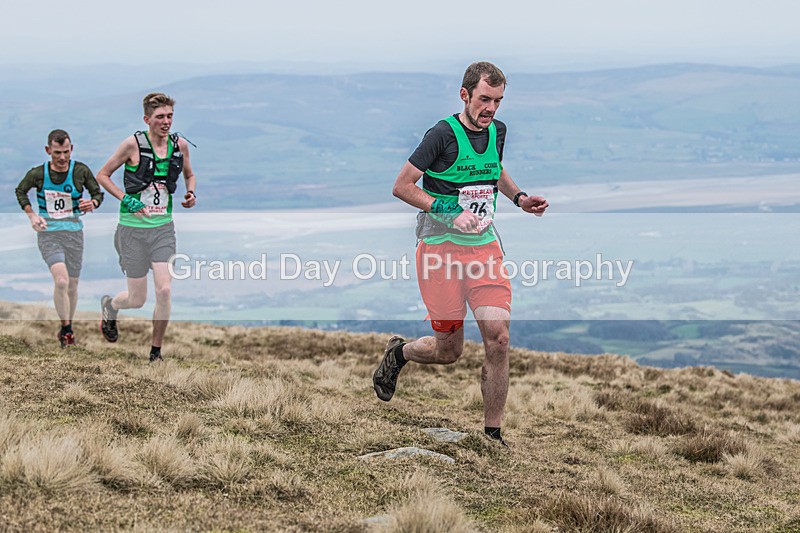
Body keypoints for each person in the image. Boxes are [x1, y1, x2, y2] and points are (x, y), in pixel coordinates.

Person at [372, 62, 549, 445]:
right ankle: (400, 353)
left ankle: (492, 436)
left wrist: (519, 198)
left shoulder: (498, 131)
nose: (491, 109)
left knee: (499, 339)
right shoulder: (442, 134)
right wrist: (450, 212)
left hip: (484, 250)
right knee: (448, 351)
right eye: (484, 99)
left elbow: (494, 169)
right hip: (440, 253)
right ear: (464, 95)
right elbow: (402, 186)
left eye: (498, 101)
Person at [95, 92, 197, 362]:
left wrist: (191, 192)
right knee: (137, 299)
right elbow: (102, 175)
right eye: (160, 117)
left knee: (164, 290)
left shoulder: (180, 145)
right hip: (132, 231)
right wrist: (126, 199)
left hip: (163, 229)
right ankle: (111, 305)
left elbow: (189, 174)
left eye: (170, 116)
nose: (166, 122)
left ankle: (155, 353)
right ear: (147, 119)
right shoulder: (132, 145)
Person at [15, 129, 104, 347]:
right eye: (57, 153)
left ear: (71, 149)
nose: (62, 157)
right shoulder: (38, 174)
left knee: (72, 286)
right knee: (61, 281)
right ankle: (67, 331)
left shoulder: (80, 171)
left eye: (66, 152)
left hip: (74, 233)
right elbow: (20, 191)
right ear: (48, 151)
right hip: (49, 233)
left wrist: (92, 203)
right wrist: (31, 215)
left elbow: (97, 193)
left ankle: (67, 326)